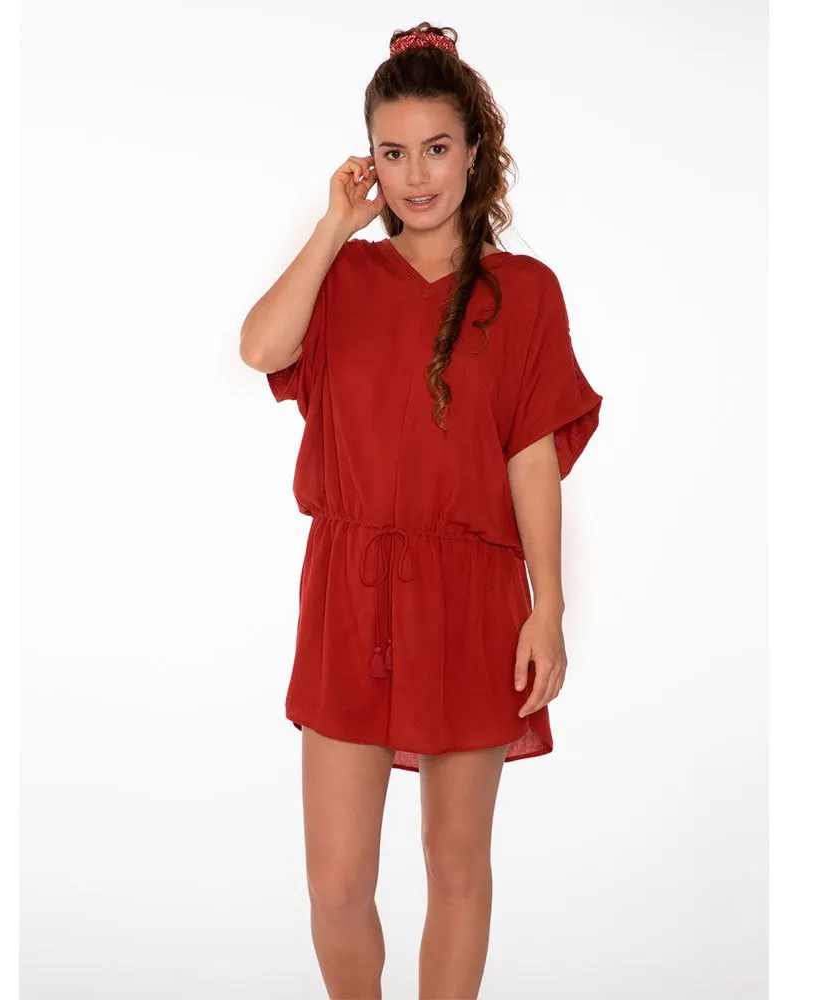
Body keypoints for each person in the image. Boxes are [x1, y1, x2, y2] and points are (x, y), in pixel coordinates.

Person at [239, 21, 604, 1000]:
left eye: (436, 147)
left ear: (473, 150)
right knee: (336, 883)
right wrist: (333, 227)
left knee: (455, 863)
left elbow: (532, 457)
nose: (416, 175)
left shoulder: (524, 293)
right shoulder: (342, 279)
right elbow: (261, 349)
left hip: (469, 594)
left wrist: (548, 607)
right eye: (392, 152)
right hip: (349, 592)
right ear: (369, 160)